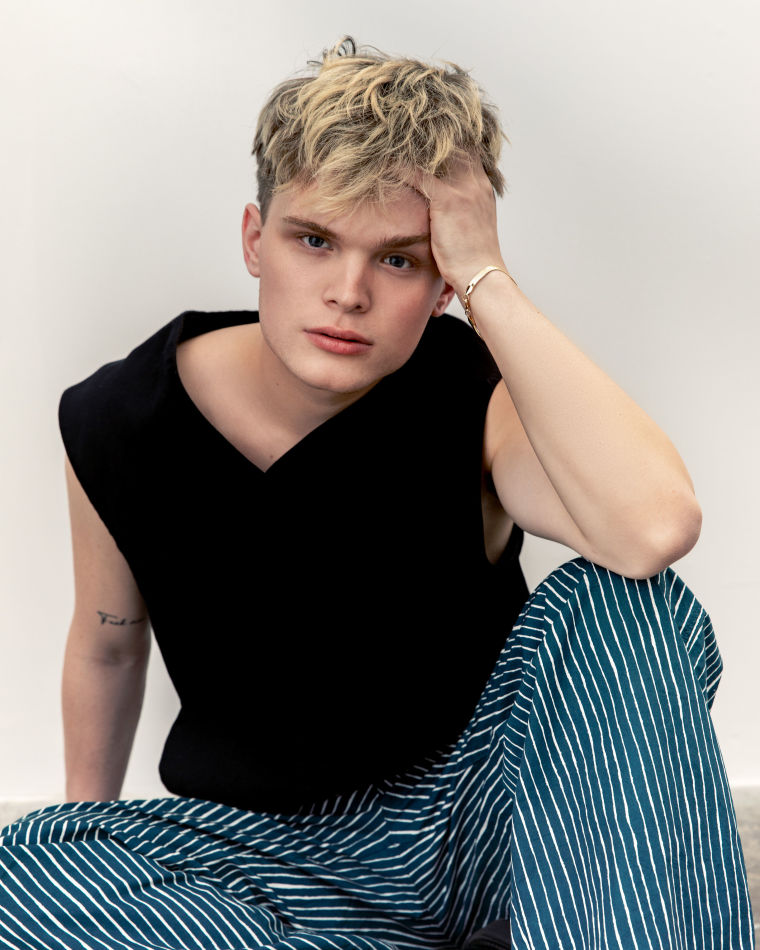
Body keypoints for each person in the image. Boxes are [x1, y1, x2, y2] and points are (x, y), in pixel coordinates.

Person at [0, 37, 753, 950]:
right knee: (30, 862)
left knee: (628, 607)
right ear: (255, 239)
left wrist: (490, 281)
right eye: (314, 241)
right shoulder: (119, 415)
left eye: (399, 261)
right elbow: (108, 647)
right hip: (262, 855)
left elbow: (652, 527)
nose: (348, 293)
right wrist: (89, 843)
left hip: (485, 828)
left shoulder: (469, 391)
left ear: (440, 285)